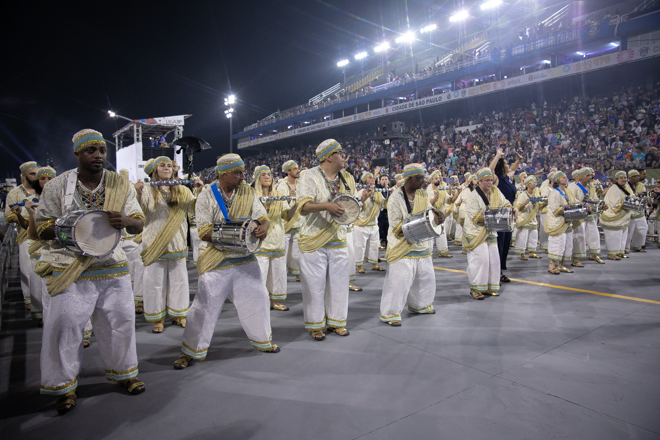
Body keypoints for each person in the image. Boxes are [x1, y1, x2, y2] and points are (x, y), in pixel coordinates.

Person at [35, 129, 146, 415]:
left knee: (120, 322)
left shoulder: (119, 185)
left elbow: (138, 223)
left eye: (102, 151)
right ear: (78, 154)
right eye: (91, 151)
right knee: (65, 327)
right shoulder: (57, 186)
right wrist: (71, 231)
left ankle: (125, 373)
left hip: (112, 265)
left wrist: (125, 220)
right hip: (70, 266)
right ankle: (64, 386)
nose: (98, 155)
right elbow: (40, 227)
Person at [174, 154, 279, 370]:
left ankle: (263, 340)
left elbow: (262, 216)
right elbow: (203, 231)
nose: (243, 177)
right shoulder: (206, 196)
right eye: (237, 173)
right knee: (204, 306)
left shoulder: (247, 191)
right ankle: (191, 350)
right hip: (216, 259)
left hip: (245, 259)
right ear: (223, 174)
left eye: (242, 172)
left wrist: (264, 228)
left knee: (258, 297)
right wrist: (235, 236)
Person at [295, 139, 352, 341]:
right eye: (340, 152)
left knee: (339, 283)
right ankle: (316, 324)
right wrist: (327, 206)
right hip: (314, 238)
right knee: (314, 285)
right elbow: (303, 206)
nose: (344, 156)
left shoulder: (347, 178)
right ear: (329, 156)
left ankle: (337, 321)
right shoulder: (309, 176)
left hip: (338, 238)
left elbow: (350, 204)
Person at [135, 156, 194, 333]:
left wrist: (198, 191)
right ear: (154, 170)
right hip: (154, 244)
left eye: (169, 165)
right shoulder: (146, 189)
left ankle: (179, 314)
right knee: (154, 283)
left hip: (177, 242)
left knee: (179, 282)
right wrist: (138, 193)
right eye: (162, 165)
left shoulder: (183, 190)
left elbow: (194, 209)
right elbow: (138, 213)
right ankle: (158, 318)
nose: (167, 168)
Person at [380, 164, 444, 325]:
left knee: (424, 278)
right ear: (410, 179)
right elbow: (396, 227)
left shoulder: (422, 194)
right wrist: (420, 225)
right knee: (399, 282)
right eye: (420, 179)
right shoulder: (395, 197)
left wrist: (437, 214)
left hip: (421, 245)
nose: (424, 182)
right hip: (402, 246)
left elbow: (429, 211)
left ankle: (420, 305)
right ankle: (391, 313)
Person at [463, 168, 512, 300]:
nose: (490, 183)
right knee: (480, 260)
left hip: (491, 232)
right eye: (486, 181)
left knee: (494, 261)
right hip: (476, 233)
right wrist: (497, 216)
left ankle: (490, 287)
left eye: (491, 180)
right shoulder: (473, 196)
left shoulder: (495, 192)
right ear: (479, 182)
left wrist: (512, 210)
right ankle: (475, 288)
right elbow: (476, 217)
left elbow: (506, 203)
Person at [253, 165, 295, 311]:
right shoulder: (252, 196)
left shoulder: (278, 195)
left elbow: (287, 215)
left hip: (277, 239)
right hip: (260, 240)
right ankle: (259, 302)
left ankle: (274, 302)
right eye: (263, 174)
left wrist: (297, 203)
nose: (267, 177)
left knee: (277, 274)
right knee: (261, 274)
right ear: (257, 178)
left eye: (269, 174)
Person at [18, 166, 56, 325]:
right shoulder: (32, 202)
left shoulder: (64, 198)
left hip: (61, 249)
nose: (46, 182)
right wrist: (27, 213)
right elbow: (31, 231)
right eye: (42, 178)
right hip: (41, 248)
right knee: (42, 286)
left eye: (50, 178)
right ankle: (45, 318)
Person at [5, 161, 39, 310]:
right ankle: (30, 302)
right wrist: (27, 216)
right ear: (24, 175)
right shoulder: (14, 193)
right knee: (27, 270)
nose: (36, 176)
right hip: (25, 238)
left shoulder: (43, 190)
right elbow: (8, 216)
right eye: (32, 174)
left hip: (43, 236)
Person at [489, 147, 522, 283]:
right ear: (500, 167)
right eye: (506, 164)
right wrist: (497, 155)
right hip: (499, 215)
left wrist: (519, 160)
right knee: (499, 244)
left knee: (506, 243)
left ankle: (500, 269)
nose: (509, 165)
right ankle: (496, 273)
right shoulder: (496, 179)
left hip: (508, 214)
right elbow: (489, 170)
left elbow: (513, 168)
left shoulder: (507, 178)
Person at [568, 167, 603, 265]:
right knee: (579, 236)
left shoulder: (591, 187)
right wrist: (583, 204)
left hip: (590, 215)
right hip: (579, 215)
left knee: (594, 235)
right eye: (587, 175)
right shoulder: (573, 187)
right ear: (581, 177)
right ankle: (575, 259)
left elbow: (594, 198)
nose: (590, 177)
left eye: (591, 175)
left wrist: (600, 204)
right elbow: (571, 200)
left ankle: (594, 254)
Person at [546, 171, 577, 274]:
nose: (566, 178)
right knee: (556, 243)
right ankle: (551, 266)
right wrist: (571, 209)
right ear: (557, 180)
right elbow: (556, 209)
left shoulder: (567, 191)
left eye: (566, 177)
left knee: (566, 244)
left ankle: (561, 265)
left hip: (567, 221)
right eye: (563, 177)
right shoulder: (555, 192)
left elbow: (574, 202)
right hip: (558, 222)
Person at [354, 172, 385, 273]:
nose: (373, 180)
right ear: (365, 181)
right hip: (361, 225)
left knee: (374, 246)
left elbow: (384, 204)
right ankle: (359, 266)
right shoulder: (360, 193)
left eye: (373, 178)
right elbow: (358, 207)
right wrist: (365, 197)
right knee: (360, 246)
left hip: (374, 224)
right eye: (370, 178)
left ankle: (374, 264)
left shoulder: (378, 193)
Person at [276, 160, 302, 281]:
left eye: (298, 168)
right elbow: (281, 205)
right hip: (287, 223)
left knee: (297, 252)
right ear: (288, 171)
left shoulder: (301, 184)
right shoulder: (282, 186)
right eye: (295, 169)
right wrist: (290, 199)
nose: (298, 171)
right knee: (284, 252)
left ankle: (297, 273)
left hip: (299, 221)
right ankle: (281, 275)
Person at [600, 171, 633, 260]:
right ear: (616, 179)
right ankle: (612, 254)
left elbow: (632, 197)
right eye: (621, 178)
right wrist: (626, 203)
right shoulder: (614, 189)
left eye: (625, 178)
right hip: (613, 215)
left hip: (624, 216)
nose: (623, 179)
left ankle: (620, 252)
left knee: (623, 235)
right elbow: (614, 204)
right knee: (614, 236)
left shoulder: (627, 187)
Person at [514, 175, 542, 260]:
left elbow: (538, 206)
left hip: (532, 219)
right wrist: (524, 204)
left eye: (535, 183)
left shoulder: (536, 194)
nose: (534, 184)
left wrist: (544, 204)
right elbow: (518, 207)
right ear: (528, 184)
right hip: (524, 218)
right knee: (523, 237)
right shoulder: (522, 194)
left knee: (534, 236)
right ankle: (522, 253)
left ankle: (532, 252)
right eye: (532, 183)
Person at [426, 170, 451, 257]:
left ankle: (443, 252)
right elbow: (429, 204)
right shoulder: (429, 189)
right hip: (432, 214)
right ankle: (429, 254)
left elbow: (449, 200)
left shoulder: (441, 188)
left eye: (439, 177)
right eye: (436, 178)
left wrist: (457, 194)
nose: (438, 179)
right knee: (431, 235)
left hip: (441, 214)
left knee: (442, 233)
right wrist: (436, 196)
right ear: (432, 180)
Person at [625, 169, 648, 253]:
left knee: (643, 229)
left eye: (638, 176)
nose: (637, 178)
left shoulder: (641, 185)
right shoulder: (625, 186)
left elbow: (644, 196)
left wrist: (645, 202)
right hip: (629, 211)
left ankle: (637, 246)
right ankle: (625, 248)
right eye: (635, 176)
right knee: (628, 231)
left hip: (639, 211)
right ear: (630, 178)